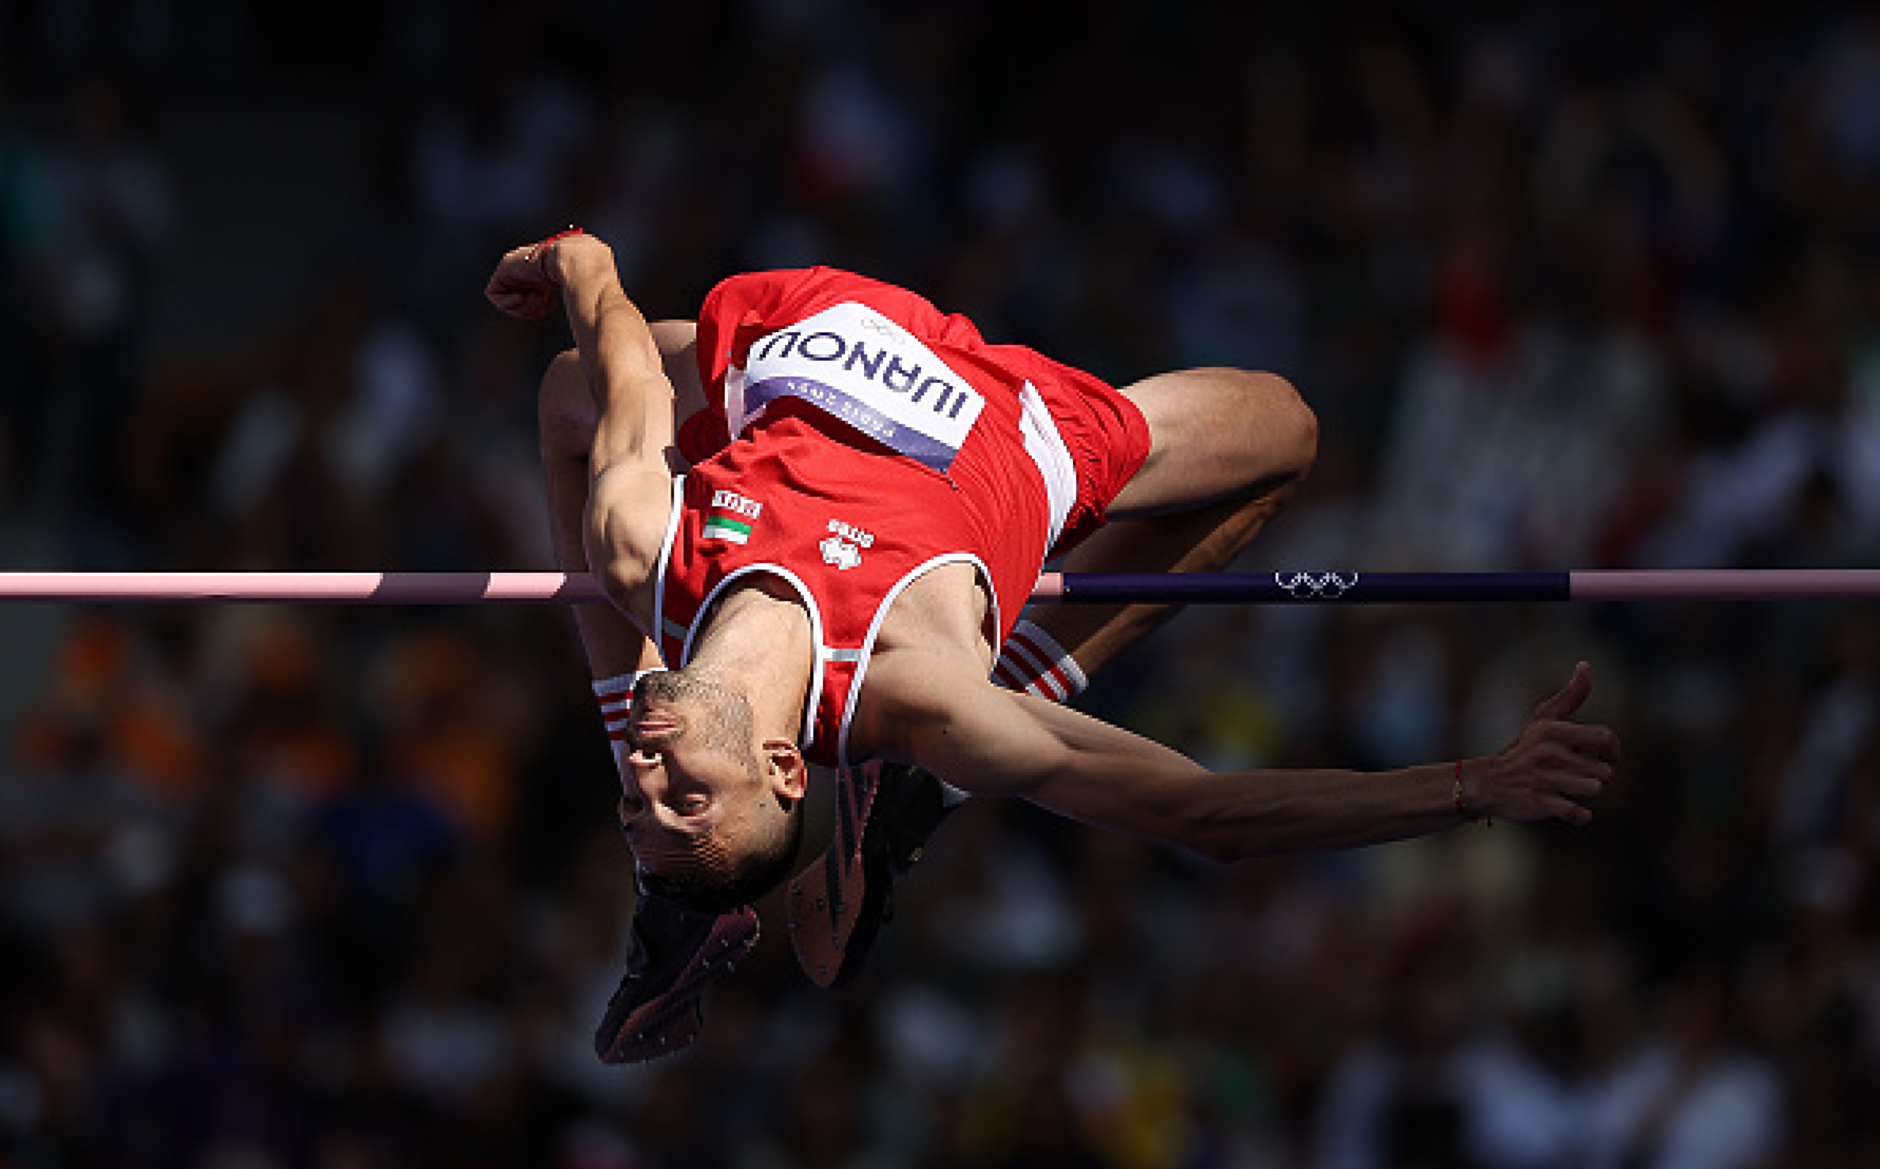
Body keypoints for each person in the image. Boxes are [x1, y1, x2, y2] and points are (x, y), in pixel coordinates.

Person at [485, 229, 1621, 1061]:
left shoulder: (643, 546)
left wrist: (579, 260)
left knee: (565, 395)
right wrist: (1471, 784)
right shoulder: (920, 689)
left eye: (642, 812)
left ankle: (675, 900)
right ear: (786, 768)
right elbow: (1205, 816)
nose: (647, 784)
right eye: (687, 805)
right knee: (1284, 429)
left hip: (791, 355)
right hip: (1013, 430)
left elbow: (625, 366)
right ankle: (941, 773)